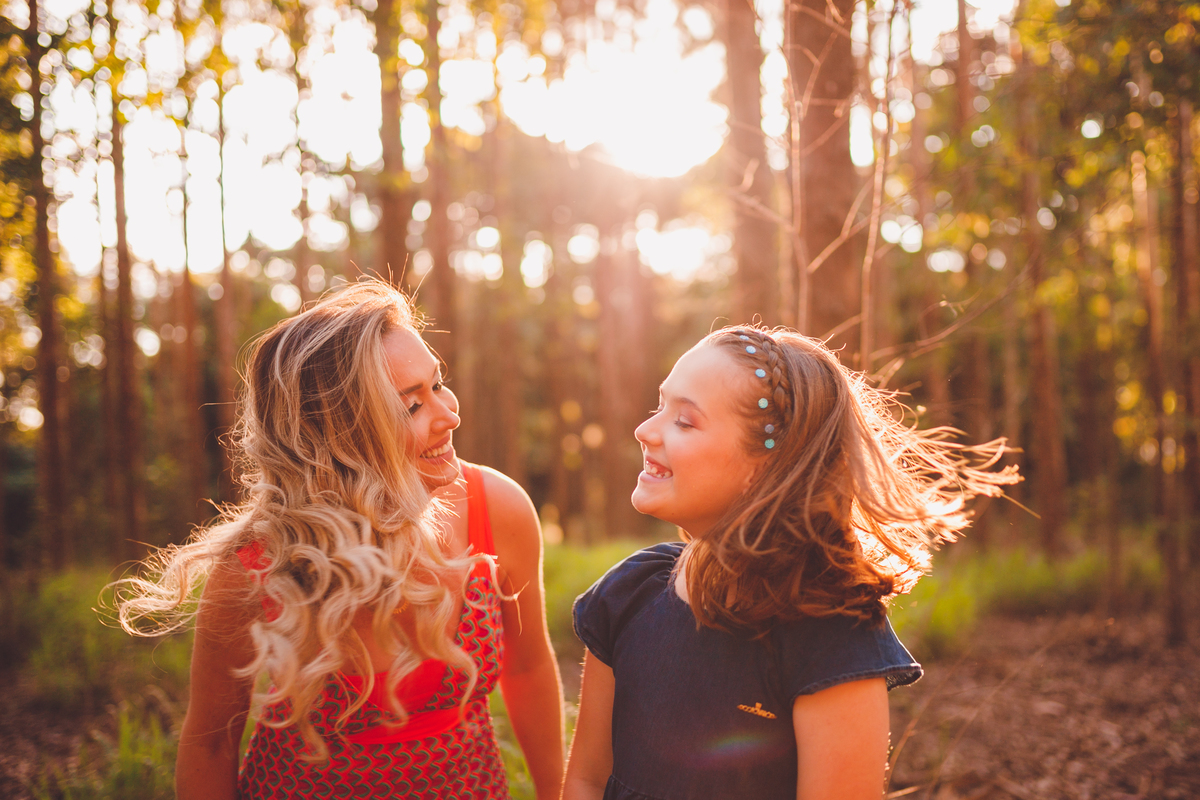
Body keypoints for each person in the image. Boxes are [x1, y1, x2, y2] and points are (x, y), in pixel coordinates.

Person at [116, 280, 564, 799]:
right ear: (339, 437)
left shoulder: (499, 509)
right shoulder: (256, 564)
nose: (450, 415)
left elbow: (529, 670)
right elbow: (209, 745)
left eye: (437, 384)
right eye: (411, 406)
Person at [561, 327, 1017, 800]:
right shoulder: (630, 592)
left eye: (685, 421)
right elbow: (586, 781)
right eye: (659, 407)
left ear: (762, 468)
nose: (645, 430)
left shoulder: (832, 633)